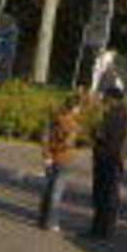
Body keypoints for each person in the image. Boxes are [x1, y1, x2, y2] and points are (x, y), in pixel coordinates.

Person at [84, 77, 127, 239]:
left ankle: (100, 230)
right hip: (113, 160)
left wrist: (95, 131)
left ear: (112, 99)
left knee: (104, 196)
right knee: (108, 195)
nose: (103, 100)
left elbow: (102, 134)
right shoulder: (124, 114)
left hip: (108, 160)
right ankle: (103, 229)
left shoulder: (115, 115)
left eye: (106, 97)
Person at [38, 89, 86, 230]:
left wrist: (47, 154)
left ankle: (43, 218)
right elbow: (67, 143)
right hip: (64, 158)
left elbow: (45, 136)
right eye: (79, 107)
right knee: (57, 192)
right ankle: (51, 222)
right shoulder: (71, 124)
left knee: (48, 189)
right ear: (75, 107)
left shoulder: (54, 118)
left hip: (50, 157)